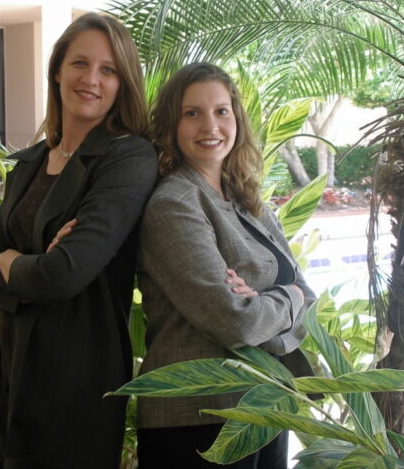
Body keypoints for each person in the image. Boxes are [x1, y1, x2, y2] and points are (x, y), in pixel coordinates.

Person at [0, 12, 157, 469]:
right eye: (80, 63)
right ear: (57, 70)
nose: (91, 79)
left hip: (78, 369)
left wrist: (11, 260)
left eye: (108, 70)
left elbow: (62, 275)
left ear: (123, 83)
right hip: (13, 359)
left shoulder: (127, 157)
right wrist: (29, 266)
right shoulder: (30, 163)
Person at [135, 62, 316, 469]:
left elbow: (310, 296)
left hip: (264, 402)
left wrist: (274, 300)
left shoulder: (247, 200)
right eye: (192, 113)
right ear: (171, 124)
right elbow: (236, 322)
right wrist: (286, 299)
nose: (209, 126)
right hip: (197, 418)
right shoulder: (174, 204)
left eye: (221, 111)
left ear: (236, 118)